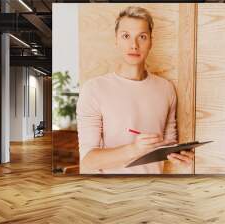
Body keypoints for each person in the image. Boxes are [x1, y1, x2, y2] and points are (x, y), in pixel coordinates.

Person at [77, 6, 194, 174]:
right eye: (126, 36)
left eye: (142, 37)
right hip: (111, 196)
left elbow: (167, 144)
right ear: (116, 40)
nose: (134, 45)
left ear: (151, 42)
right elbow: (88, 161)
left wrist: (178, 156)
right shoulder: (93, 89)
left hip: (153, 192)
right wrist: (134, 149)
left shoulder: (166, 89)